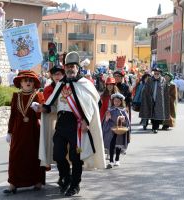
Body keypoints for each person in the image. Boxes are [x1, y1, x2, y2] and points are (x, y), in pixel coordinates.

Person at [39, 51, 106, 197]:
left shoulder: (85, 84)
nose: (70, 69)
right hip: (62, 123)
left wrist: (86, 120)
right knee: (58, 154)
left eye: (73, 66)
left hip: (77, 125)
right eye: (68, 66)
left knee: (76, 158)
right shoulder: (61, 84)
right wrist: (45, 108)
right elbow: (54, 104)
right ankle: (66, 176)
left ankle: (75, 184)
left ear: (78, 68)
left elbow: (96, 104)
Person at [4, 70, 45, 194]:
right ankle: (13, 184)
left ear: (34, 83)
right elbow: (13, 115)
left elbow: (43, 115)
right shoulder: (16, 96)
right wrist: (9, 132)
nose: (28, 82)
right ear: (20, 83)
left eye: (30, 80)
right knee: (15, 155)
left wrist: (39, 109)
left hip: (34, 131)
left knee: (34, 155)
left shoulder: (38, 95)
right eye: (25, 80)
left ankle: (37, 181)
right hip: (18, 130)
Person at [39, 66, 65, 172]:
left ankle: (65, 174)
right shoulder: (48, 89)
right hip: (53, 121)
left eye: (59, 74)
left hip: (66, 120)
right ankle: (61, 173)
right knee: (55, 147)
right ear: (52, 76)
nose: (57, 76)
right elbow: (48, 105)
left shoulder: (67, 87)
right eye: (55, 74)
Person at [102, 92, 130, 169]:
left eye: (118, 101)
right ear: (113, 101)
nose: (116, 103)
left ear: (121, 102)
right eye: (115, 101)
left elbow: (127, 122)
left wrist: (123, 120)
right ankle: (111, 161)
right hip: (111, 129)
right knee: (111, 144)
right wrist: (107, 118)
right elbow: (105, 121)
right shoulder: (110, 110)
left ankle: (117, 159)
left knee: (118, 145)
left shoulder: (123, 110)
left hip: (120, 130)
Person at [139, 68, 170, 133]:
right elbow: (146, 89)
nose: (156, 74)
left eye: (157, 73)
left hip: (159, 100)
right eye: (155, 73)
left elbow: (165, 90)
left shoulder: (163, 80)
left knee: (158, 113)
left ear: (160, 74)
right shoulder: (149, 80)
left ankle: (155, 127)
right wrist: (145, 98)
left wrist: (165, 99)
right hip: (150, 99)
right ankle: (153, 126)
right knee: (152, 113)